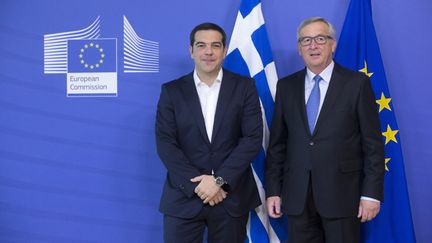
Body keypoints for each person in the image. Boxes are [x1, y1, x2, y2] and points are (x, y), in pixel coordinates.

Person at [265, 17, 384, 243]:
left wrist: (371, 194)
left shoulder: (357, 84)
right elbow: (278, 145)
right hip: (296, 198)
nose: (313, 45)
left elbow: (373, 145)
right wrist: (273, 190)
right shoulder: (286, 86)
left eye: (320, 38)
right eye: (306, 40)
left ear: (333, 44)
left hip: (342, 196)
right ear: (299, 49)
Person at [155, 22, 262, 243]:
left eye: (215, 45)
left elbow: (252, 139)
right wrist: (198, 185)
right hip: (183, 197)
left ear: (224, 51)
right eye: (201, 45)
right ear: (191, 50)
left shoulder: (245, 87)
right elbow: (165, 142)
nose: (208, 52)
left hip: (230, 196)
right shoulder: (172, 91)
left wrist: (219, 181)